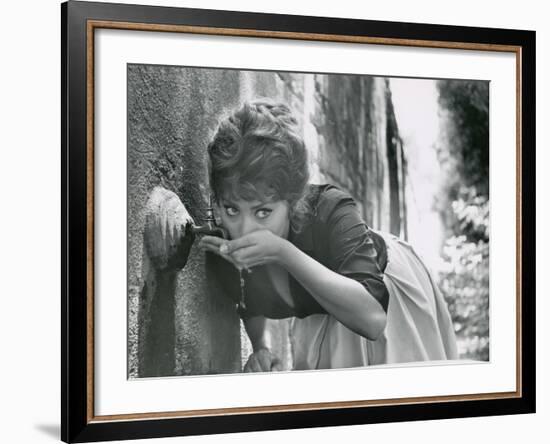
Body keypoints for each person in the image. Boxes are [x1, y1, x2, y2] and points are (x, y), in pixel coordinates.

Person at [198, 99, 458, 372]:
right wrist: (261, 346)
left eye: (263, 212)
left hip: (382, 301)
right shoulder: (223, 243)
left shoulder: (330, 209)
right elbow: (249, 299)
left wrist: (282, 253)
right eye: (232, 209)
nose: (244, 229)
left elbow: (372, 320)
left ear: (292, 201)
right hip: (322, 318)